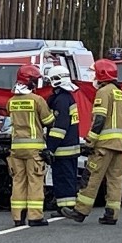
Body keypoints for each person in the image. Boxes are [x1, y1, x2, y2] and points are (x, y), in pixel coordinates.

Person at [61, 59, 122, 225]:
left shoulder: (104, 92)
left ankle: (80, 211)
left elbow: (100, 119)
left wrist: (90, 141)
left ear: (102, 74)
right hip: (120, 144)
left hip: (104, 145)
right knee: (115, 180)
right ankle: (112, 214)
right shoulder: (120, 93)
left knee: (91, 177)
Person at [6, 64, 55, 226]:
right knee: (35, 181)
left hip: (16, 149)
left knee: (18, 181)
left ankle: (18, 217)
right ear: (30, 82)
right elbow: (48, 121)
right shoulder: (37, 100)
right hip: (34, 149)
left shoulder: (11, 101)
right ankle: (35, 217)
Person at [45, 65, 81, 214]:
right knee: (68, 177)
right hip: (70, 146)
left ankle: (66, 207)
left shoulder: (60, 100)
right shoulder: (67, 98)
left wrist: (50, 148)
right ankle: (66, 206)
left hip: (63, 148)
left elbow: (59, 127)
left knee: (63, 177)